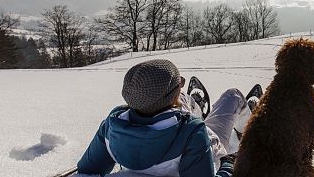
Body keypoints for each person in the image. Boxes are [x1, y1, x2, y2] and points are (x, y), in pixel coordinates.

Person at [76, 59, 248, 177]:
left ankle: (194, 104)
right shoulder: (191, 132)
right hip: (209, 144)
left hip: (164, 119)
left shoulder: (110, 126)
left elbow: (87, 171)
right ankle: (245, 126)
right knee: (233, 95)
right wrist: (227, 166)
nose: (180, 84)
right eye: (179, 83)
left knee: (181, 100)